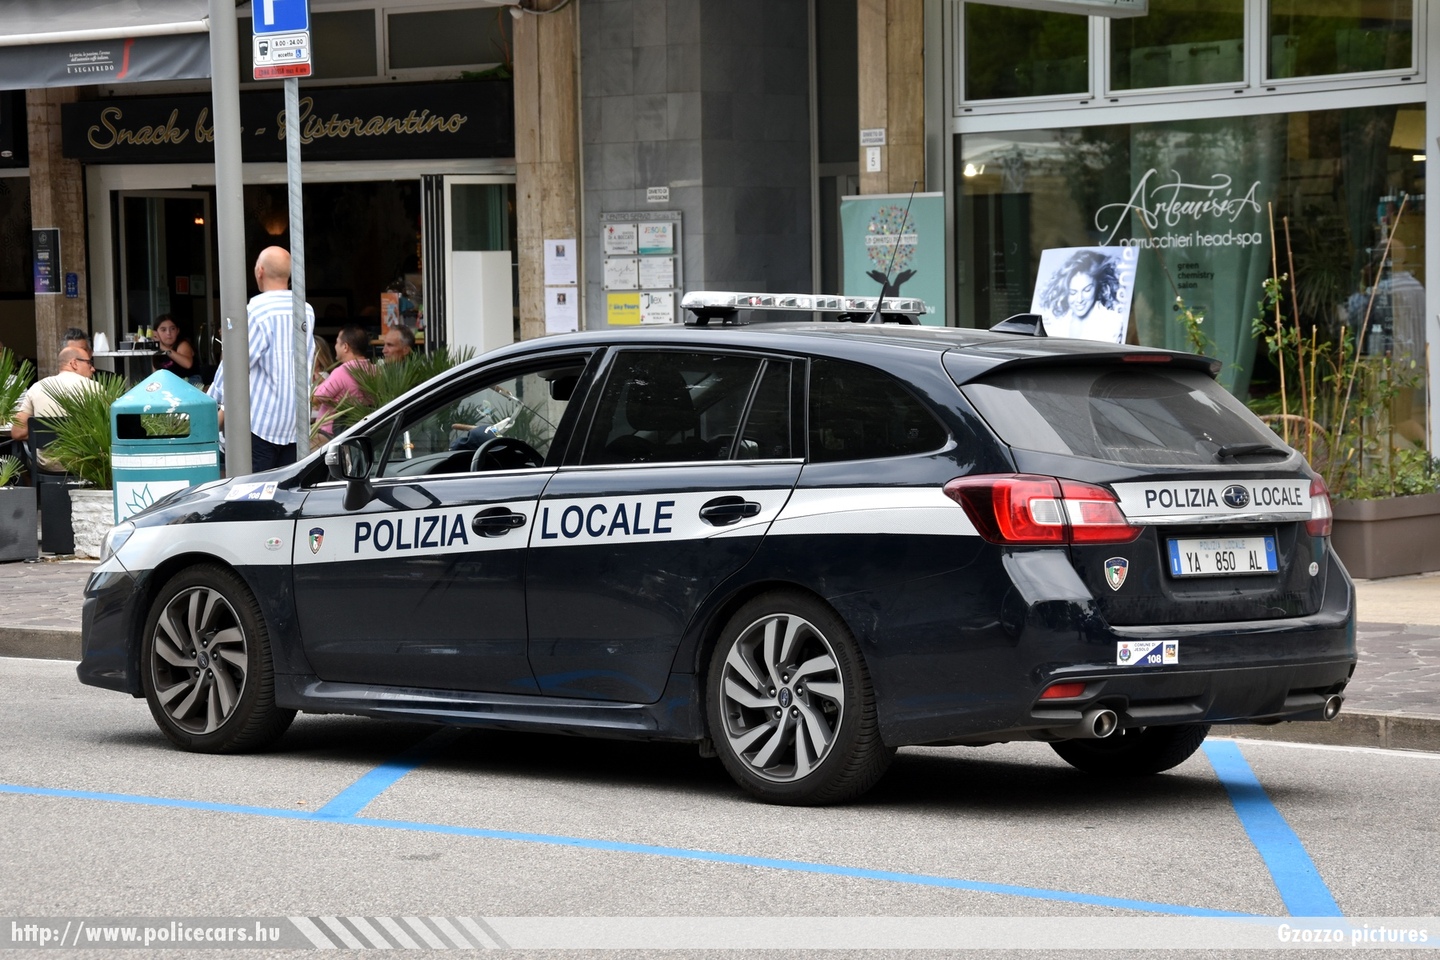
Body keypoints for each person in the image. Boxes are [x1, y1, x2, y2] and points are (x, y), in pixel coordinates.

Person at [206, 246, 316, 472]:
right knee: (286, 497)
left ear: (259, 271)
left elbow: (237, 365)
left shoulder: (256, 310)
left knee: (253, 496)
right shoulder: (306, 310)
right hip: (295, 424)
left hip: (259, 425)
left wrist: (211, 399)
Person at [11, 347, 102, 469]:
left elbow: (18, 432)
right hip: (86, 467)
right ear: (74, 363)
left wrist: (44, 434)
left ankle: (34, 488)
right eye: (88, 362)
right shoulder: (95, 389)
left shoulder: (38, 387)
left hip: (47, 466)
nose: (93, 368)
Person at [1037, 250, 1127, 343]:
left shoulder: (1113, 322)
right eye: (1073, 292)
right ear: (1065, 292)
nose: (1079, 300)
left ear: (1098, 286)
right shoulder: (1057, 323)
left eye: (1087, 290)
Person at [312, 325, 373, 436]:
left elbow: (315, 398)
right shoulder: (374, 370)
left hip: (330, 436)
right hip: (360, 433)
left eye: (337, 342)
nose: (335, 347)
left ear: (345, 347)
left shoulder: (342, 372)